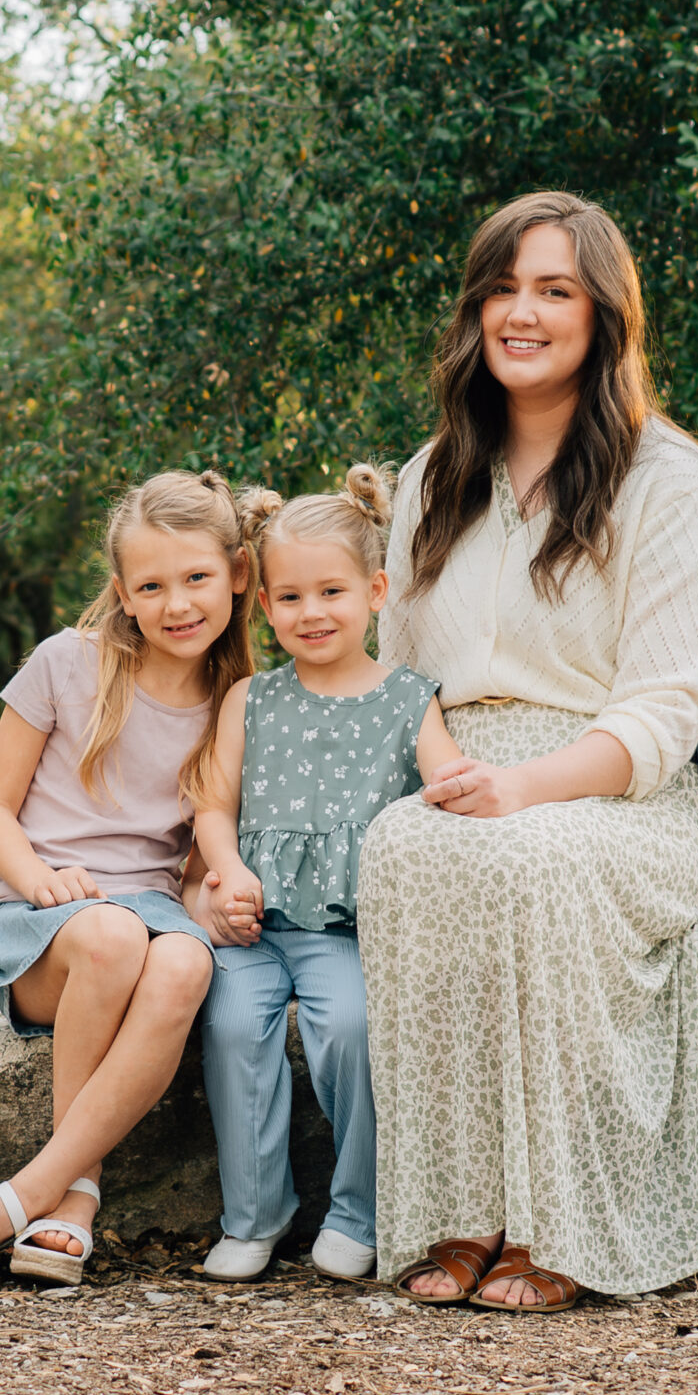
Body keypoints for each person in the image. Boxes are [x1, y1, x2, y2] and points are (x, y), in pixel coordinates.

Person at [357, 190, 698, 1313]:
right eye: (502, 288)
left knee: (529, 862)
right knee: (402, 850)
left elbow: (666, 711)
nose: (520, 313)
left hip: (617, 793)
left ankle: (561, 1222)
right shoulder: (434, 475)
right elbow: (399, 674)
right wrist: (442, 772)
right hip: (460, 769)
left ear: (602, 316)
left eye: (553, 291)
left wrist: (524, 788)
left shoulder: (666, 478)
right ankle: (464, 1211)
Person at [0, 470, 265, 1288]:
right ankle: (73, 1192)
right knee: (109, 934)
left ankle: (23, 1195)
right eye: (153, 585)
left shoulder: (234, 704)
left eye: (197, 577)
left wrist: (221, 898)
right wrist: (37, 878)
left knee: (188, 960)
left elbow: (197, 863)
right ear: (123, 593)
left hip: (147, 916)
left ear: (238, 573)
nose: (178, 603)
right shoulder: (67, 663)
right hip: (39, 923)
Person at [186, 467, 462, 1283]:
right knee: (235, 1027)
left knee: (352, 1026)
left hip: (342, 928)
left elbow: (446, 782)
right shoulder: (251, 699)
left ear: (376, 591)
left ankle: (359, 1211)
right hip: (251, 926)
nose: (313, 613)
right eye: (292, 598)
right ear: (264, 605)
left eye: (332, 592)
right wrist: (225, 872)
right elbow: (212, 804)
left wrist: (469, 790)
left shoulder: (409, 700)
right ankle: (254, 1217)